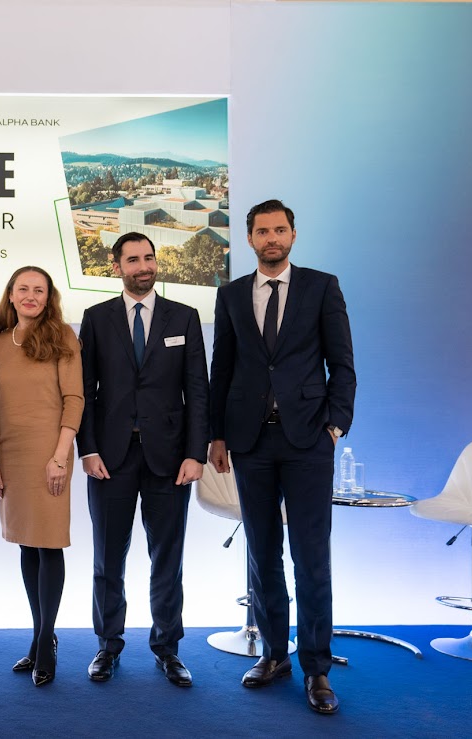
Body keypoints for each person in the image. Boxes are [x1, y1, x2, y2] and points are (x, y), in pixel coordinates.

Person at [208, 199, 355, 715]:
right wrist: (217, 436)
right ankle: (274, 655)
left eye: (279, 230)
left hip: (308, 439)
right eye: (262, 231)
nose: (271, 238)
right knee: (262, 552)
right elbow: (221, 368)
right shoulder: (230, 295)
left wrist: (335, 425)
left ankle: (316, 666)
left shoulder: (321, 287)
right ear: (249, 239)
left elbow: (342, 363)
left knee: (311, 557)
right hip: (250, 442)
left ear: (293, 235)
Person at [77, 232, 209, 687]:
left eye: (149, 258)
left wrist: (195, 453)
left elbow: (198, 390)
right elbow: (84, 391)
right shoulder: (96, 318)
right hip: (108, 459)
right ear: (117, 267)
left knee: (167, 559)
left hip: (170, 459)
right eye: (133, 260)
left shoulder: (184, 316)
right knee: (107, 559)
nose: (143, 266)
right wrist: (87, 449)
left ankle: (168, 649)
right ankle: (107, 646)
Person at [0, 266, 83, 687]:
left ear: (48, 297)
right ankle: (41, 636)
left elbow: (74, 400)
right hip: (11, 454)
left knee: (49, 543)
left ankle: (44, 644)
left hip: (49, 453)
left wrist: (60, 457)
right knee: (26, 543)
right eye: (23, 289)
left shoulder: (63, 337)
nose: (30, 296)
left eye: (39, 290)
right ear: (10, 295)